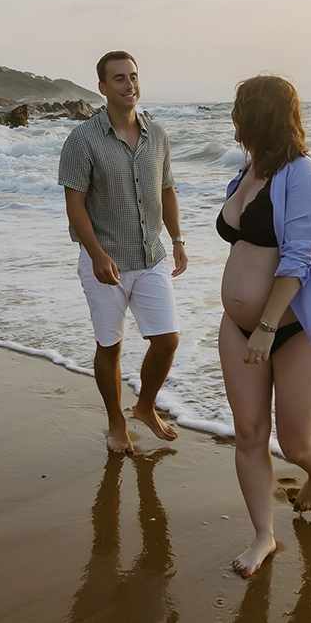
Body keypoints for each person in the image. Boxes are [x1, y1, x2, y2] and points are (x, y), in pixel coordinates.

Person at [215, 75, 311, 577]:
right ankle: (263, 536)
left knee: (295, 444)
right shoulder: (248, 171)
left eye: (240, 107)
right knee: (248, 432)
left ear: (259, 115)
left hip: (290, 330)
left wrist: (266, 325)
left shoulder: (304, 174)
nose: (233, 116)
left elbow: (299, 259)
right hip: (236, 326)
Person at [59, 51, 188, 454]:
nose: (129, 84)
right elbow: (75, 203)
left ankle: (145, 407)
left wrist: (178, 240)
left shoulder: (158, 135)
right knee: (110, 346)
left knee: (167, 340)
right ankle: (116, 422)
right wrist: (96, 253)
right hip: (105, 260)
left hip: (151, 256)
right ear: (102, 87)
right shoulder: (82, 139)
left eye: (133, 76)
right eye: (118, 78)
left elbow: (167, 190)